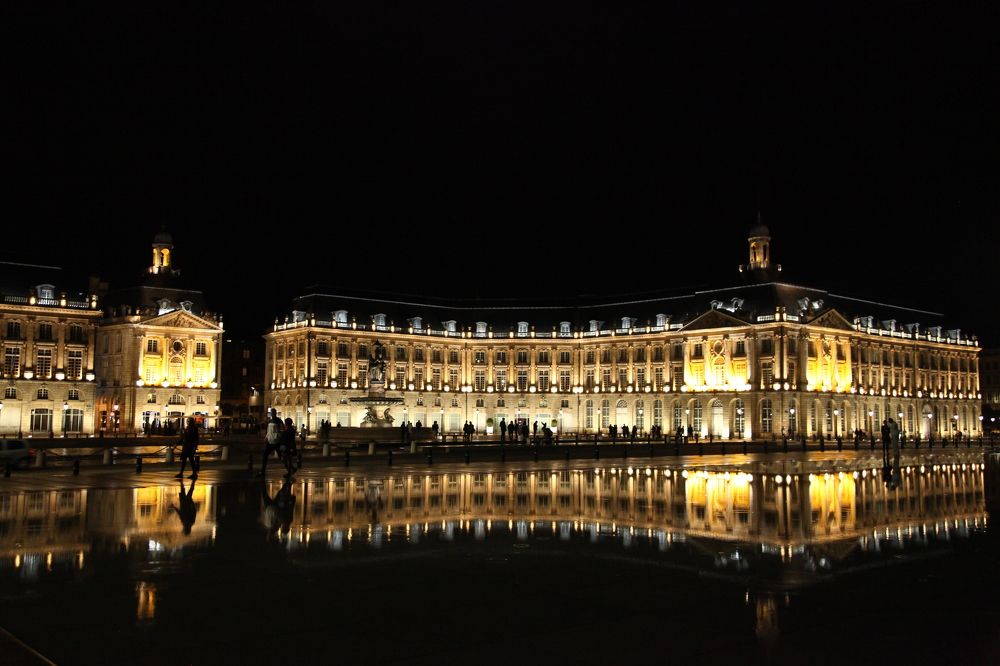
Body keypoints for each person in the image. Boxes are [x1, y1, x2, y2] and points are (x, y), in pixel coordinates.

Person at [258, 408, 283, 478]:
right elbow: (269, 431)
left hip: (276, 441)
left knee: (281, 456)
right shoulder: (270, 420)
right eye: (271, 413)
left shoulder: (278, 420)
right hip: (270, 441)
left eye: (273, 412)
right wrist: (266, 437)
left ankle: (290, 469)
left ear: (275, 413)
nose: (272, 414)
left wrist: (278, 436)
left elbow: (282, 429)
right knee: (265, 456)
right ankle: (262, 471)